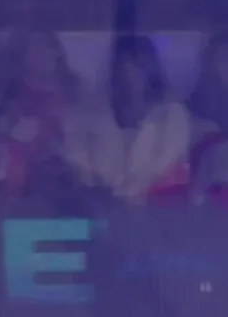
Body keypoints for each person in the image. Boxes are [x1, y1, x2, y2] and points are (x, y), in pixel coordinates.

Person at [68, 34, 207, 204]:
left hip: (155, 207)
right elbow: (77, 155)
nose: (130, 75)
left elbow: (167, 163)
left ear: (150, 69)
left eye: (137, 66)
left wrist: (133, 193)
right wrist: (93, 185)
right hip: (99, 205)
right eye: (123, 67)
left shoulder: (172, 113)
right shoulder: (92, 111)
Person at [0, 32, 87, 202]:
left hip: (67, 184)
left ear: (57, 52)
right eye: (34, 48)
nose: (41, 54)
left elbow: (81, 146)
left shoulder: (77, 94)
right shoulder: (6, 99)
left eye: (47, 46)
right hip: (17, 190)